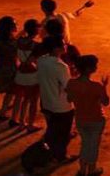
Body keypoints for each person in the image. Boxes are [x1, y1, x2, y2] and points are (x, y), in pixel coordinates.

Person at [66, 55, 110, 176]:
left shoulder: (71, 83)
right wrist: (104, 87)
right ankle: (91, 170)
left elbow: (69, 98)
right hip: (96, 120)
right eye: (94, 66)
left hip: (80, 119)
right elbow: (106, 102)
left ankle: (82, 169)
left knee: (85, 143)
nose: (96, 67)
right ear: (88, 69)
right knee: (93, 145)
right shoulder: (97, 86)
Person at [37, 36, 76, 164]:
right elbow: (68, 86)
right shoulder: (61, 66)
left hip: (46, 101)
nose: (65, 46)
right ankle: (60, 156)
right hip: (61, 105)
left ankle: (49, 153)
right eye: (62, 44)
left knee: (52, 129)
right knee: (63, 134)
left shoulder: (41, 61)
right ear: (55, 49)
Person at [12, 19, 42, 131]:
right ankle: (30, 124)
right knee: (33, 101)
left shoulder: (19, 41)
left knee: (24, 99)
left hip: (21, 74)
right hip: (32, 76)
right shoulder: (37, 45)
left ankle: (21, 123)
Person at [0, 16, 18, 122]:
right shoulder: (12, 42)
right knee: (12, 90)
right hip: (11, 67)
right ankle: (3, 113)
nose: (16, 26)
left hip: (2, 65)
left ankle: (4, 111)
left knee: (10, 91)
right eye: (14, 24)